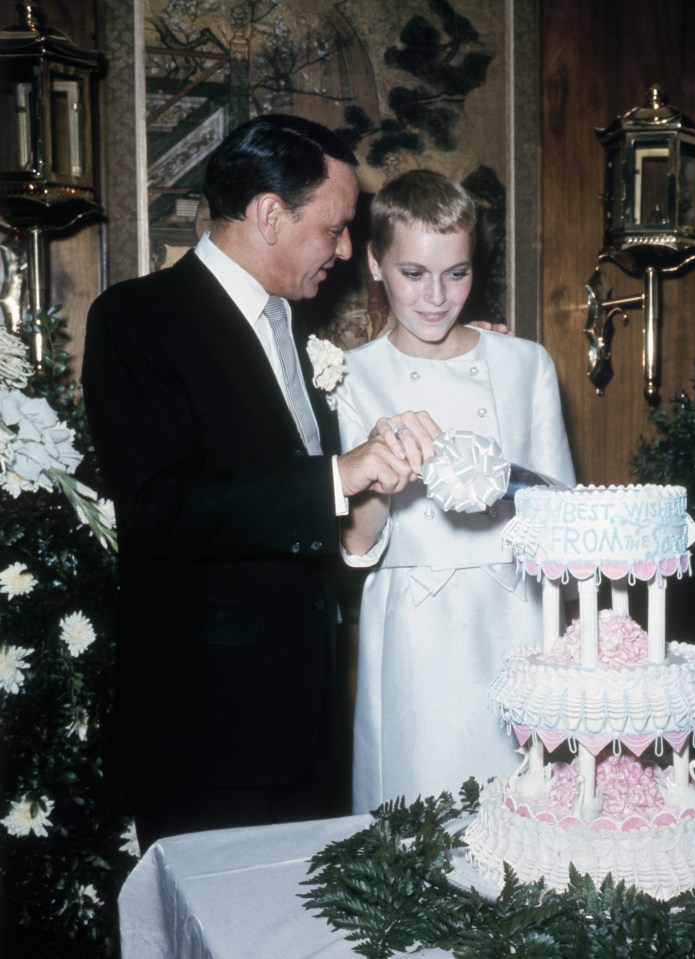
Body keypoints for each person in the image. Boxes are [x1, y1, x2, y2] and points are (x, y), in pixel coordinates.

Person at [81, 115, 436, 851]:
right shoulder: (138, 319)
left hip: (310, 724)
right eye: (335, 228)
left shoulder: (300, 337)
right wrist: (337, 474)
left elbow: (310, 513)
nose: (345, 251)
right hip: (209, 740)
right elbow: (160, 509)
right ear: (270, 214)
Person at [336, 169, 576, 813]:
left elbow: (562, 514)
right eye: (414, 273)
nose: (437, 297)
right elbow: (358, 547)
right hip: (413, 622)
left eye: (458, 273)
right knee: (419, 801)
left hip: (515, 613)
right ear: (375, 265)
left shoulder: (525, 363)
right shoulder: (351, 378)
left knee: (525, 806)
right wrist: (378, 474)